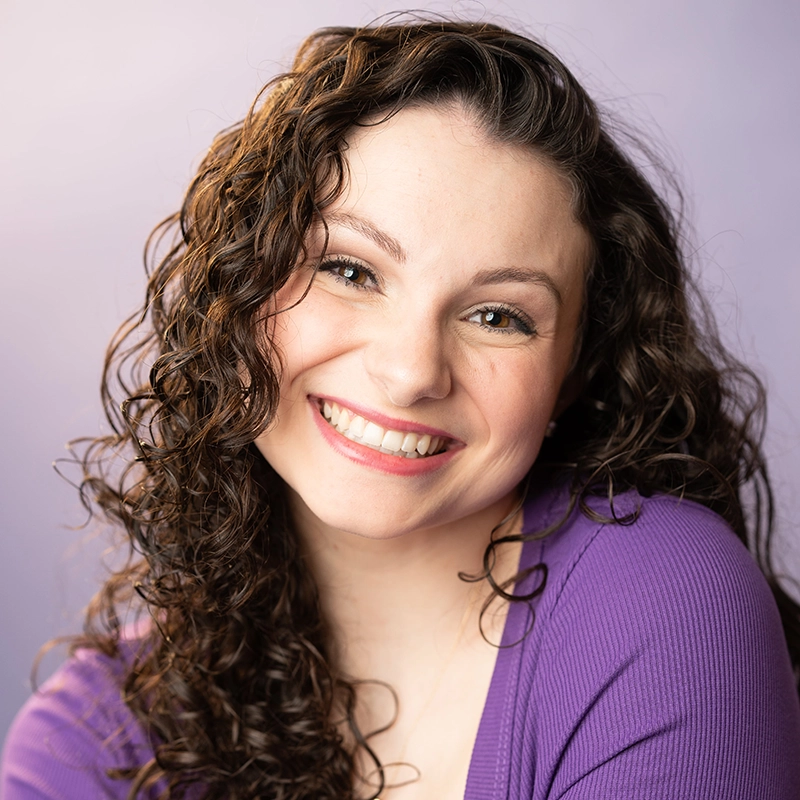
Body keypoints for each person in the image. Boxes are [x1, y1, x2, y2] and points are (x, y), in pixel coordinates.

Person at [2, 17, 799, 800]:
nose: (411, 370)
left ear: (574, 375)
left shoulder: (662, 602)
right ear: (240, 288)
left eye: (498, 316)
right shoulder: (93, 740)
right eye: (351, 270)